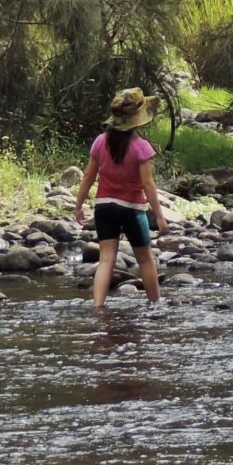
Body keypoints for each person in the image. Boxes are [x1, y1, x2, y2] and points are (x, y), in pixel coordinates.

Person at [75, 88, 169, 310]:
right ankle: (156, 304)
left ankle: (98, 306)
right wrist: (159, 216)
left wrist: (78, 205)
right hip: (132, 209)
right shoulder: (141, 148)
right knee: (145, 259)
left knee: (106, 259)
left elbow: (89, 176)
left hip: (104, 207)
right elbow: (148, 184)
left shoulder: (100, 142)